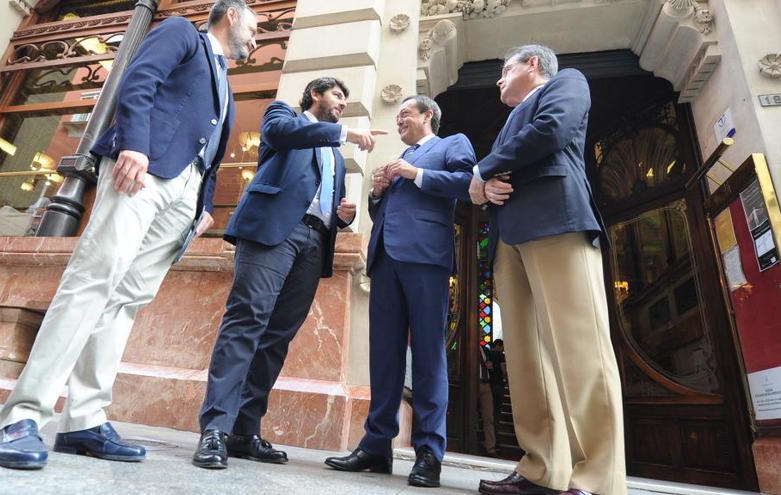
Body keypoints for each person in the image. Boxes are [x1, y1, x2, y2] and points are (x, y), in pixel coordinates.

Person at [0, 1, 258, 470]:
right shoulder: (179, 32)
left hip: (183, 196)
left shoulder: (225, 81)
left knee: (127, 300)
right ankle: (23, 415)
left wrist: (204, 207)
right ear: (230, 15)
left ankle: (84, 421)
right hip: (143, 170)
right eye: (253, 27)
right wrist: (134, 141)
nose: (256, 38)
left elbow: (211, 149)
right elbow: (139, 80)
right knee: (94, 280)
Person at [192, 77, 387, 469]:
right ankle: (215, 428)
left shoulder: (334, 155)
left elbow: (320, 201)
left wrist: (340, 216)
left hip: (313, 246)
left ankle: (244, 433)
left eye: (346, 99)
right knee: (246, 322)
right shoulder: (283, 115)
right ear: (315, 94)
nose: (342, 103)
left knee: (277, 338)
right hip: (272, 234)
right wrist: (346, 132)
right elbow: (282, 134)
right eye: (337, 95)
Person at [470, 45, 626, 495]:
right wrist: (484, 189)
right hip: (509, 239)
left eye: (505, 70)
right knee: (526, 361)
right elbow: (495, 177)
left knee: (582, 351)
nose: (499, 81)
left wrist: (484, 170)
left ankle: (599, 480)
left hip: (556, 220)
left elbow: (552, 130)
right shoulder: (507, 122)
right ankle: (543, 469)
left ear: (532, 65)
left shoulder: (567, 82)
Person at [324, 95, 474, 488]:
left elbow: (465, 182)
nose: (400, 120)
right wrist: (377, 192)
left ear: (428, 115)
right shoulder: (397, 162)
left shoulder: (450, 144)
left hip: (426, 258)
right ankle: (376, 446)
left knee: (427, 354)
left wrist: (415, 174)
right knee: (384, 357)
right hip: (386, 259)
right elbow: (384, 213)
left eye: (406, 113)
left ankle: (428, 452)